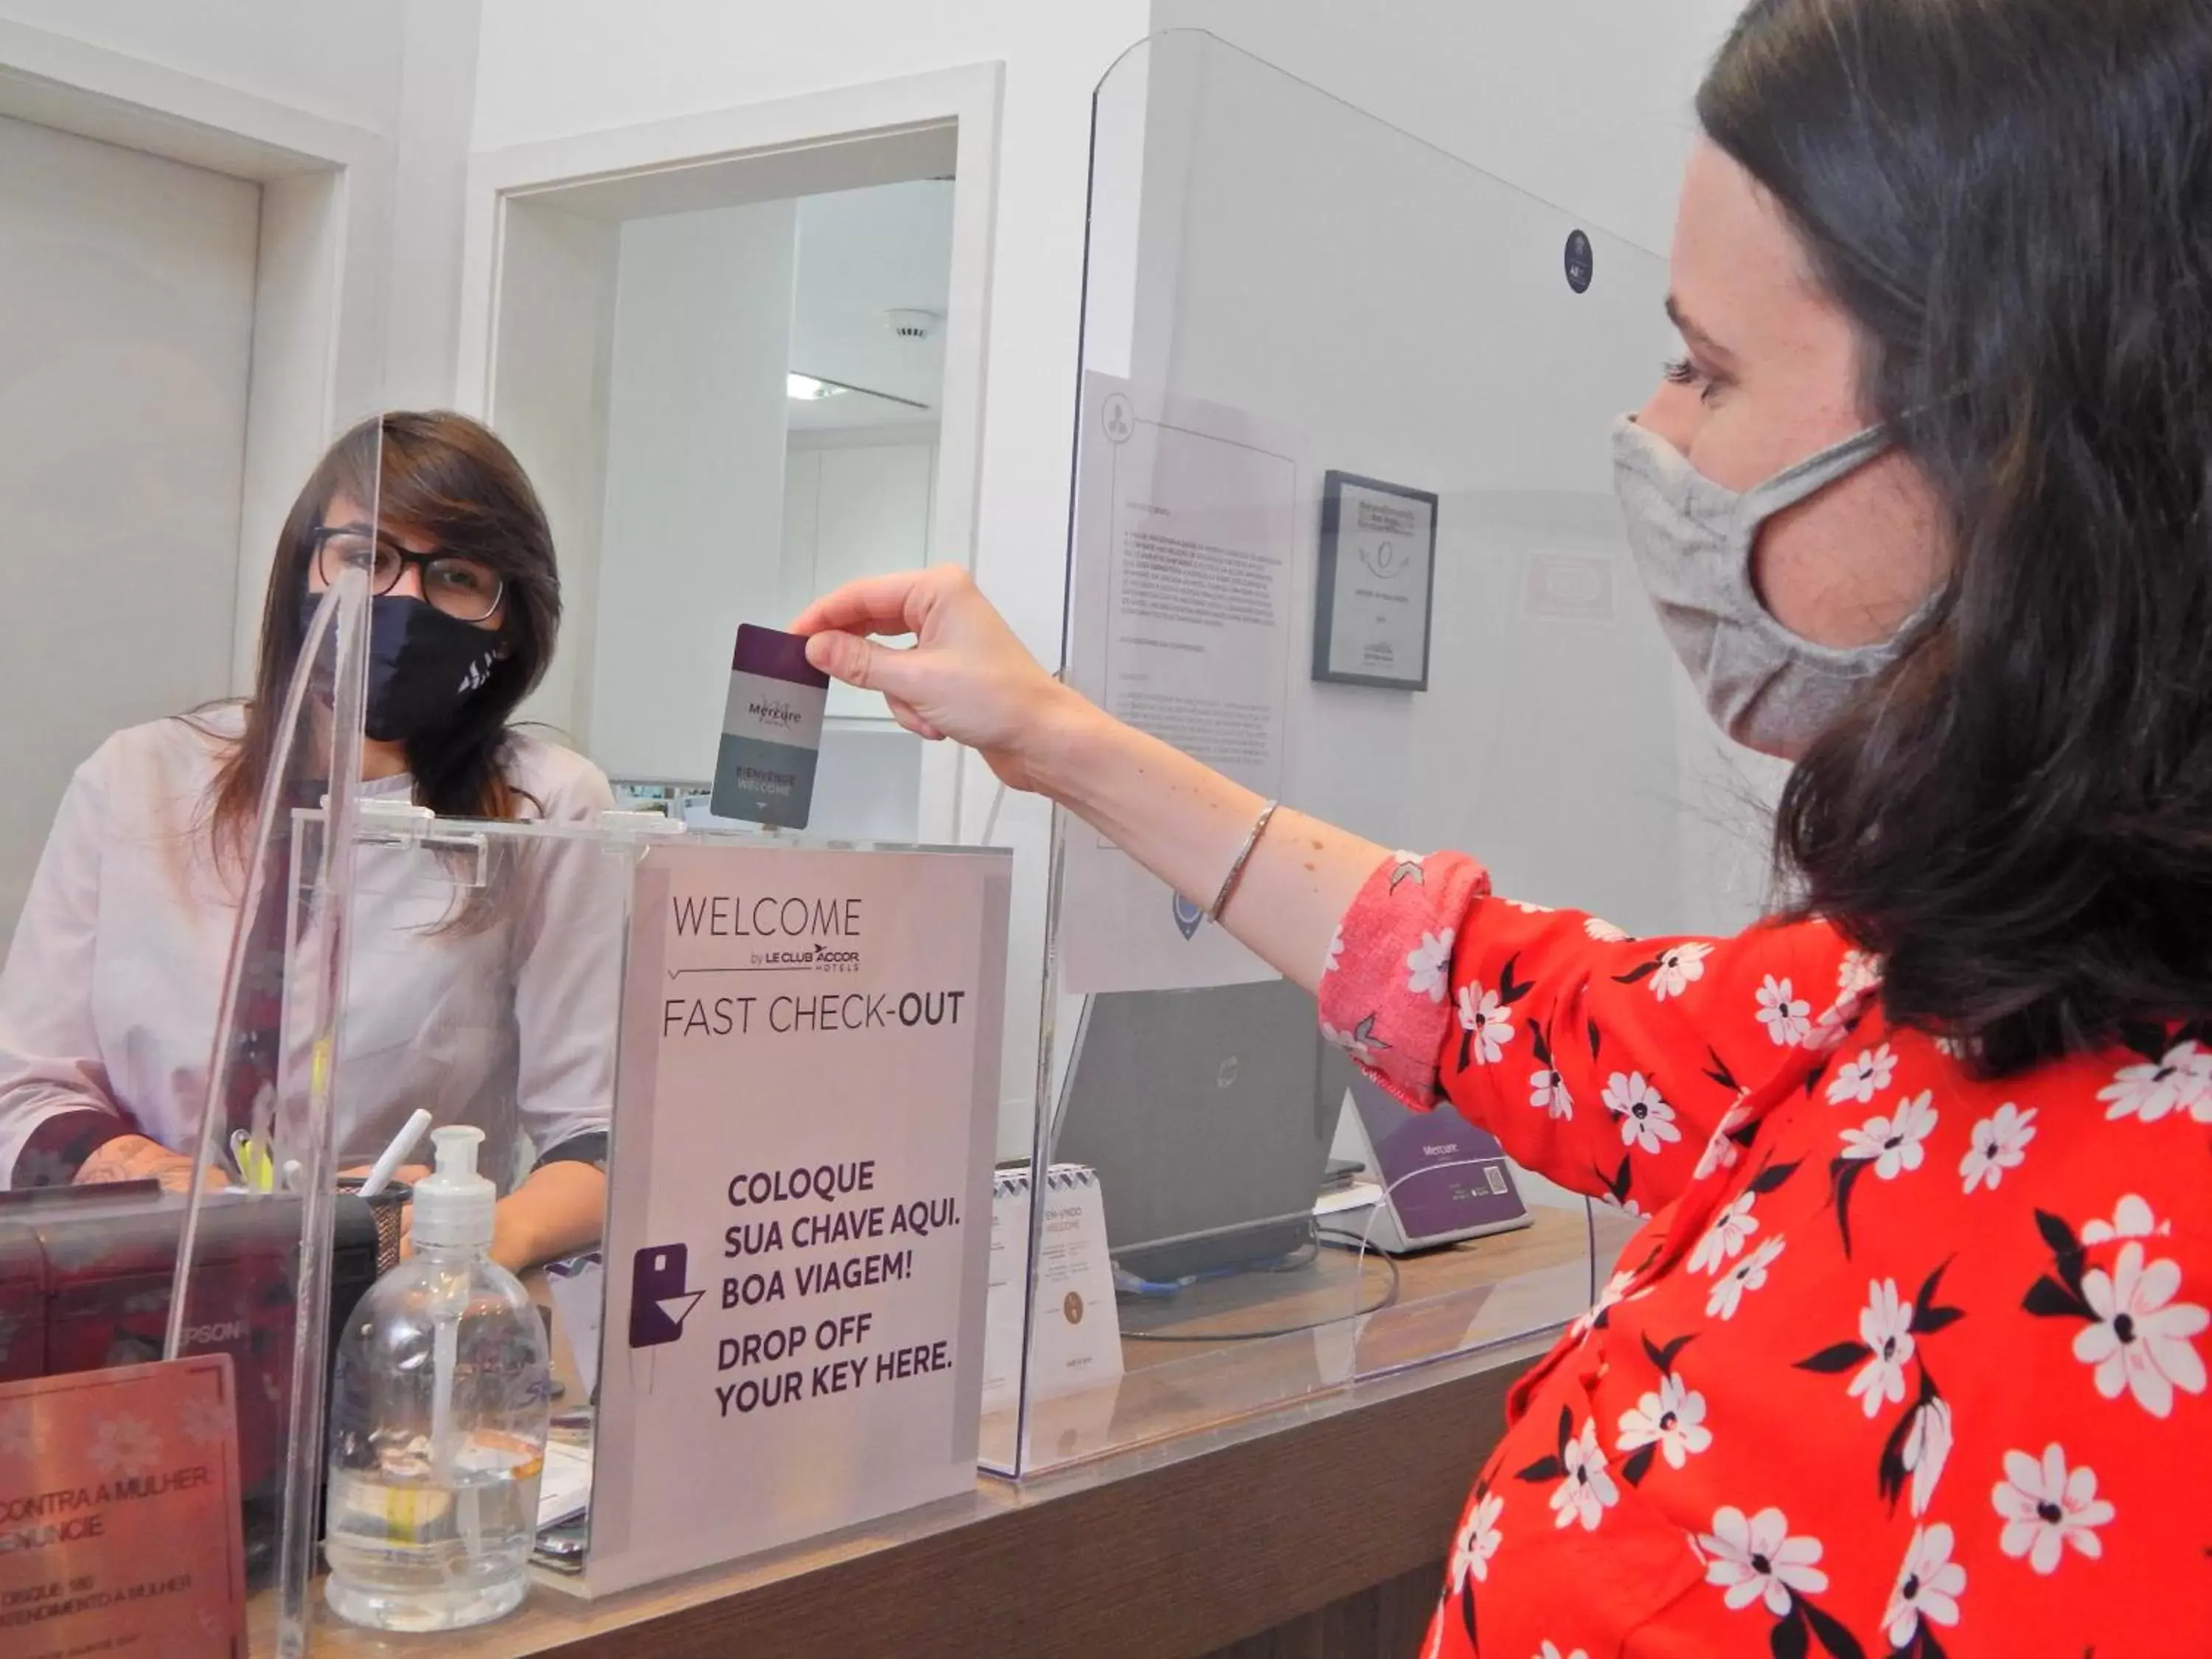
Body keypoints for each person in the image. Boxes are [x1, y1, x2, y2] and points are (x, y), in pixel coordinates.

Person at [793, 1, 2211, 1652]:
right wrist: (1054, 735)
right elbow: (1495, 993)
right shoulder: (1921, 1000)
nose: (1654, 435)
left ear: (2017, 437)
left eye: (1709, 366)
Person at [0, 411, 616, 1273]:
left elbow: (597, 1134)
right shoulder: (137, 778)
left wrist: (442, 1247)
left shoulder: (542, 808)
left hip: (391, 1311)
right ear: (303, 570)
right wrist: (195, 1202)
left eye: (458, 576)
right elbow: (25, 1093)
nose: (400, 601)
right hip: (136, 1297)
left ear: (508, 623)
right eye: (366, 557)